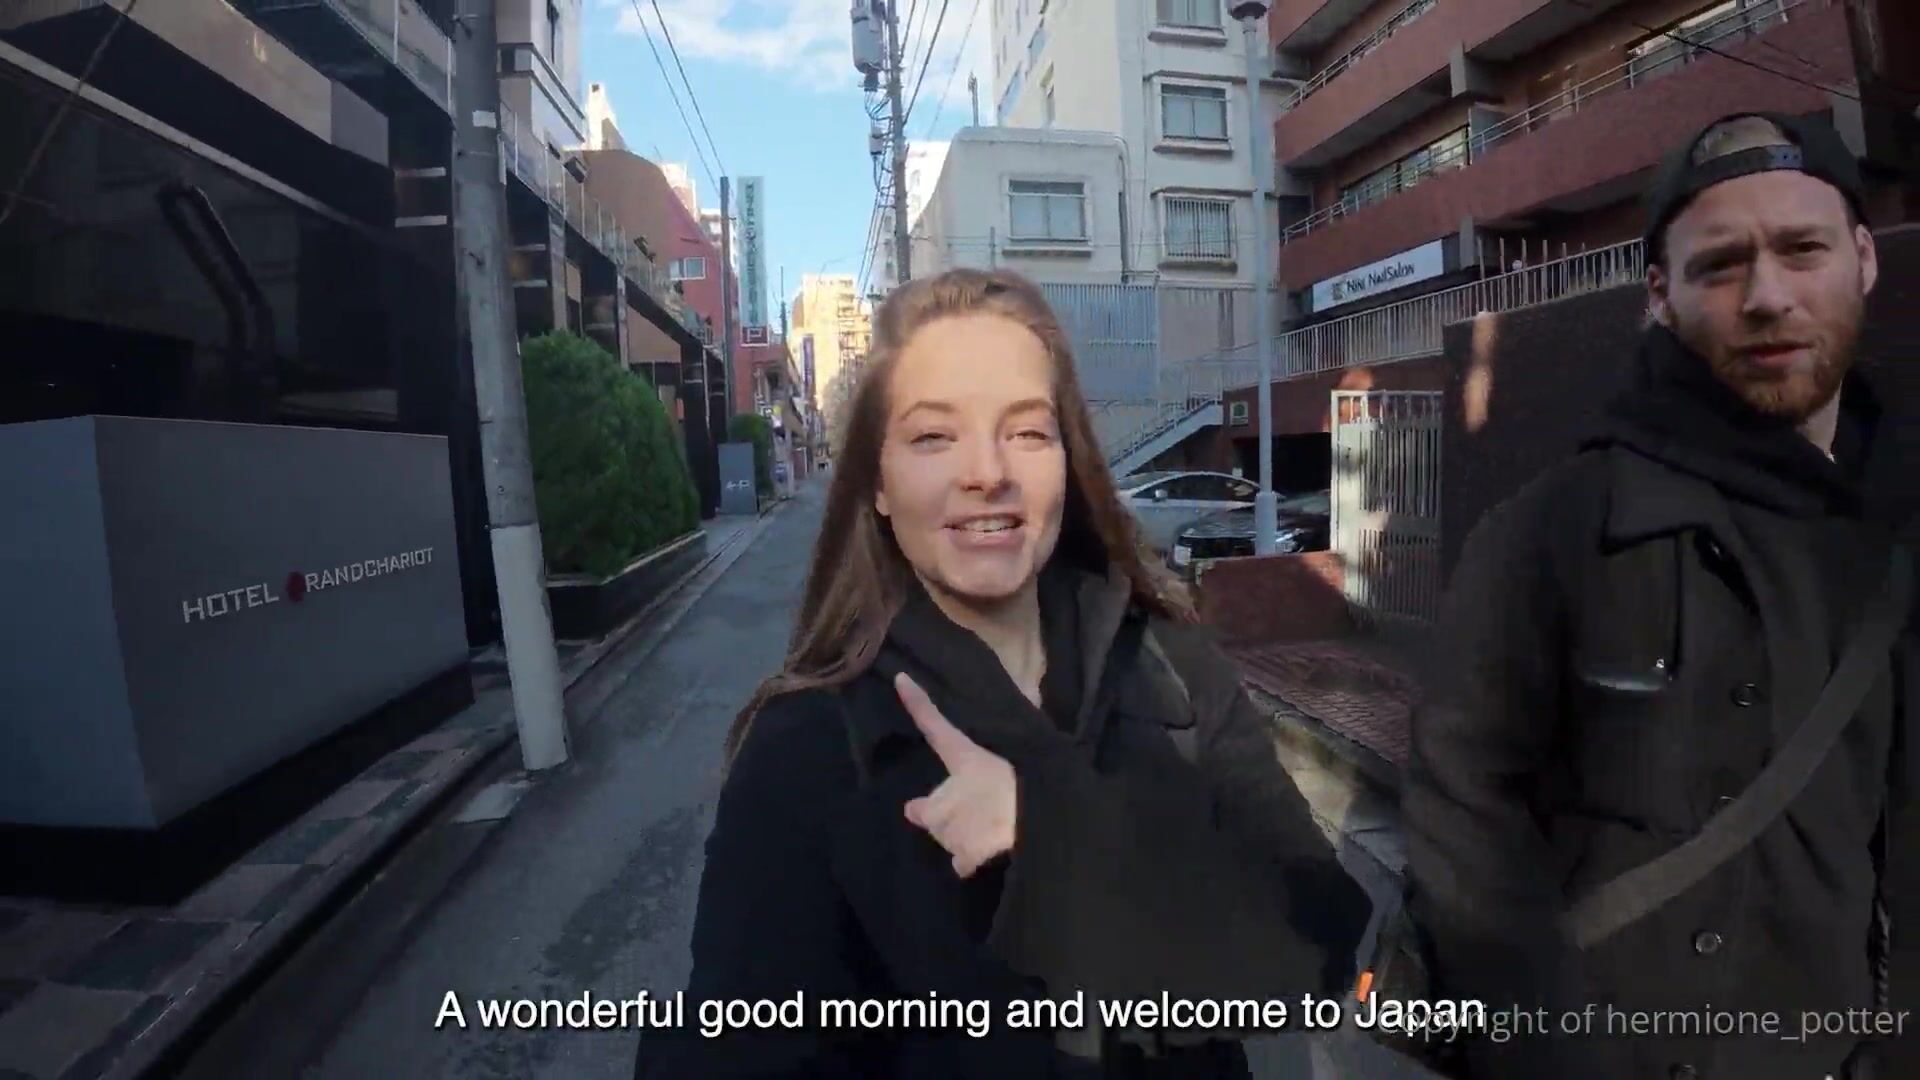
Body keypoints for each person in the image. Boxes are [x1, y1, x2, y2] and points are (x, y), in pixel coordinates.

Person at [635, 269, 1369, 1078]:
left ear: (1068, 462)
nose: (987, 472)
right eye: (933, 437)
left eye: (1026, 432)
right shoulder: (808, 746)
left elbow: (1323, 941)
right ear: (878, 483)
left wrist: (1057, 831)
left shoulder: (1170, 663)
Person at [1403, 112, 1917, 1080]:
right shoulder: (1552, 530)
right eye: (1719, 265)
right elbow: (1461, 816)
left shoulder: (1900, 522)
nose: (1767, 297)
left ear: (1863, 257)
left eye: (1803, 250)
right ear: (1660, 296)